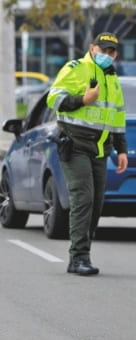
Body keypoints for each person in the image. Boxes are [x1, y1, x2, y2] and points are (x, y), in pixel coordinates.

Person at [47, 32, 128, 276]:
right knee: (84, 199)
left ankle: (83, 253)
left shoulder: (112, 79)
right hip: (75, 145)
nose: (107, 55)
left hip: (101, 149)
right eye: (103, 50)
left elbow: (117, 118)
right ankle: (78, 257)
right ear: (92, 48)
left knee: (96, 204)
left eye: (112, 51)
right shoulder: (76, 68)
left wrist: (122, 149)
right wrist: (84, 99)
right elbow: (54, 98)